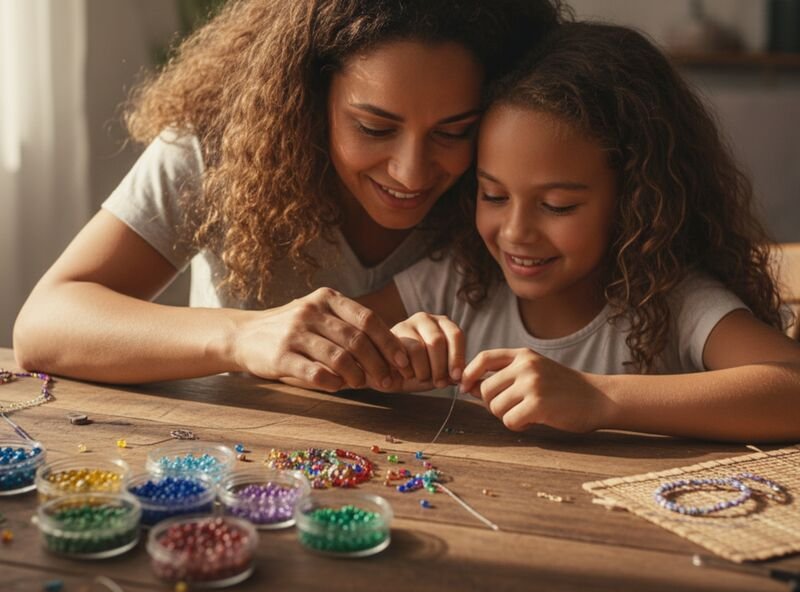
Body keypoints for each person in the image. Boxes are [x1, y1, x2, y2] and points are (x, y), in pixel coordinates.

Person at [13, 0, 563, 390]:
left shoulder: (510, 183)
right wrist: (241, 336)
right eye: (374, 128)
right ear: (307, 96)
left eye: (453, 131)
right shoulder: (218, 148)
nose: (412, 172)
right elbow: (45, 323)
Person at [361, 22, 800, 442]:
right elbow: (329, 340)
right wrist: (389, 351)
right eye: (493, 195)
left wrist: (599, 397)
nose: (516, 232)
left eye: (557, 206)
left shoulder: (673, 302)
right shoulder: (459, 279)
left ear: (635, 202)